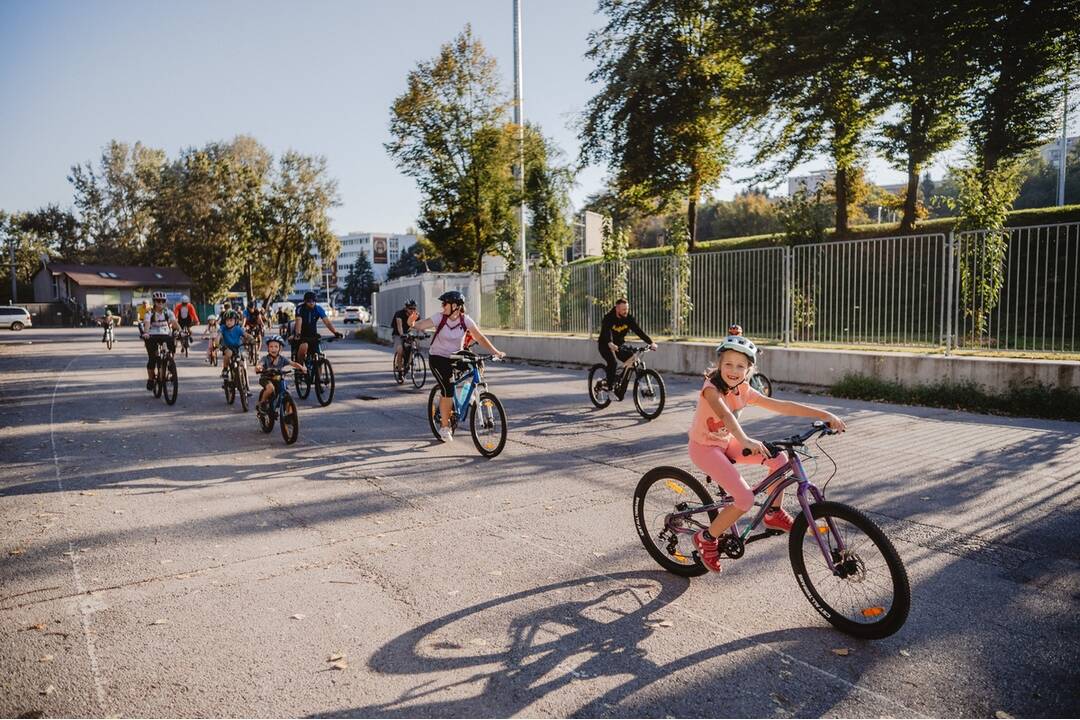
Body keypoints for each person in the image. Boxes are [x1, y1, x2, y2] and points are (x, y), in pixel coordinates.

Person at [687, 334, 846, 573]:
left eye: (740, 366)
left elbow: (782, 406)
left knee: (779, 460)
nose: (733, 370)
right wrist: (746, 440)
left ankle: (773, 514)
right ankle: (706, 538)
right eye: (728, 364)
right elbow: (726, 417)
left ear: (749, 370)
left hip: (726, 441)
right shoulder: (711, 389)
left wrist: (824, 414)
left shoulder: (744, 389)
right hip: (704, 448)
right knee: (744, 499)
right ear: (719, 365)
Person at [411, 290, 505, 443]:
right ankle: (444, 427)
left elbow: (479, 337)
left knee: (476, 365)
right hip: (438, 357)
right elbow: (421, 325)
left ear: (455, 306)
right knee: (448, 387)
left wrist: (496, 352)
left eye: (445, 304)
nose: (442, 306)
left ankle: (470, 394)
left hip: (456, 356)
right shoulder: (440, 318)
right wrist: (412, 323)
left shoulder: (465, 320)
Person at [597, 299, 657, 392]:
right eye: (623, 309)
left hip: (619, 345)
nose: (626, 311)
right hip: (605, 344)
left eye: (627, 309)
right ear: (617, 308)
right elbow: (606, 331)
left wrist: (650, 342)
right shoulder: (609, 317)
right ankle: (609, 387)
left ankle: (618, 378)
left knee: (633, 359)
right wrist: (609, 343)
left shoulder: (628, 318)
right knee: (613, 363)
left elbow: (638, 330)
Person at [139, 291, 181, 390]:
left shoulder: (168, 312)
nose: (160, 303)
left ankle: (170, 362)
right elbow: (147, 324)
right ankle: (150, 379)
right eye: (158, 301)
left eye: (163, 301)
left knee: (172, 344)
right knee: (152, 358)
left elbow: (174, 323)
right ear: (154, 302)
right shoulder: (149, 313)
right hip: (152, 335)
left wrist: (181, 331)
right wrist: (146, 333)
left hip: (165, 334)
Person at [255, 334, 306, 414]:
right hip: (266, 379)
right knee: (270, 388)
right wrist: (258, 367)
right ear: (268, 348)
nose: (273, 349)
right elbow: (260, 364)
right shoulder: (265, 359)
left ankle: (289, 414)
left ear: (280, 348)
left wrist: (302, 368)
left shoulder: (282, 359)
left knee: (287, 392)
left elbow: (293, 363)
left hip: (278, 378)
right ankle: (262, 403)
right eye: (271, 346)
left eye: (276, 346)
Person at [294, 291, 343, 367]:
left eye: (314, 301)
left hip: (313, 335)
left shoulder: (318, 309)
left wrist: (335, 332)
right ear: (305, 301)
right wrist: (298, 334)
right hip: (302, 334)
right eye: (309, 301)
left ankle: (318, 378)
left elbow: (327, 322)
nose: (312, 303)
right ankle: (300, 368)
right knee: (304, 347)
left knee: (319, 357)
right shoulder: (300, 308)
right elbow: (298, 321)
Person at [218, 309, 251, 383]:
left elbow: (246, 335)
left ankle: (246, 386)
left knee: (243, 362)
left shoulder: (238, 329)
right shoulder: (223, 328)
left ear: (235, 321)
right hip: (227, 347)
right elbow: (218, 336)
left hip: (238, 347)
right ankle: (225, 370)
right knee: (228, 353)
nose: (229, 322)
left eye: (231, 320)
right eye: (227, 321)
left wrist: (252, 340)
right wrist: (217, 344)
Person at [392, 299, 420, 370]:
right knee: (400, 350)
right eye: (410, 308)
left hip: (408, 332)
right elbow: (399, 325)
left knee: (414, 344)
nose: (412, 310)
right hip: (398, 333)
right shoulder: (399, 313)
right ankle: (400, 371)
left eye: (414, 308)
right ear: (406, 308)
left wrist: (425, 333)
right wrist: (402, 335)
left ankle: (410, 361)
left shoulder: (415, 315)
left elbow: (420, 324)